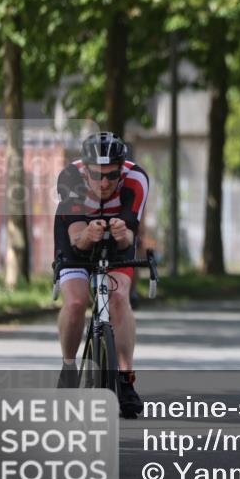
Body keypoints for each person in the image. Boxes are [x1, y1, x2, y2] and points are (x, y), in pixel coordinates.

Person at [53, 132, 149, 417]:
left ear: (122, 169)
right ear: (86, 170)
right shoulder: (70, 177)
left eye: (112, 175)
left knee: (119, 297)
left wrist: (121, 235)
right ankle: (69, 368)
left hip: (117, 241)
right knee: (75, 302)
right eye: (97, 175)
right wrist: (87, 236)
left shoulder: (136, 179)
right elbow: (75, 240)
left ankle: (125, 379)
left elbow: (130, 238)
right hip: (76, 235)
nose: (104, 182)